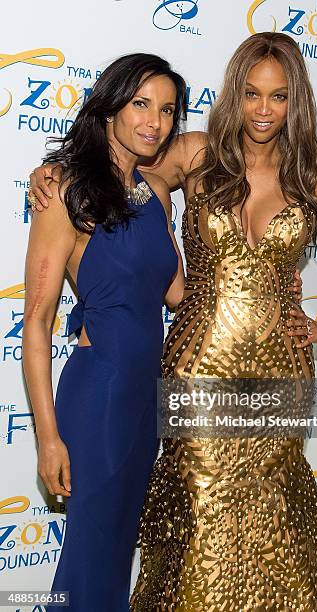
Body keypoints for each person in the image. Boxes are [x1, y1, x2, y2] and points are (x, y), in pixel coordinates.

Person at [29, 32, 317, 611]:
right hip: (196, 368)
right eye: (252, 93)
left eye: (279, 97)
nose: (263, 109)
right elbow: (128, 175)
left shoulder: (311, 182)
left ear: (295, 103)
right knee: (201, 510)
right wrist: (55, 173)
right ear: (234, 93)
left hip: (282, 369)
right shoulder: (198, 152)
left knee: (272, 510)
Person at [22, 53, 185, 612]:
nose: (154, 122)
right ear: (110, 106)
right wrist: (48, 438)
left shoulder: (155, 192)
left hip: (148, 395)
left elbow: (178, 295)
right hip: (102, 393)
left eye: (166, 110)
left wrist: (255, 284)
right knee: (92, 550)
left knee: (115, 549)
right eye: (141, 104)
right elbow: (38, 321)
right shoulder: (65, 192)